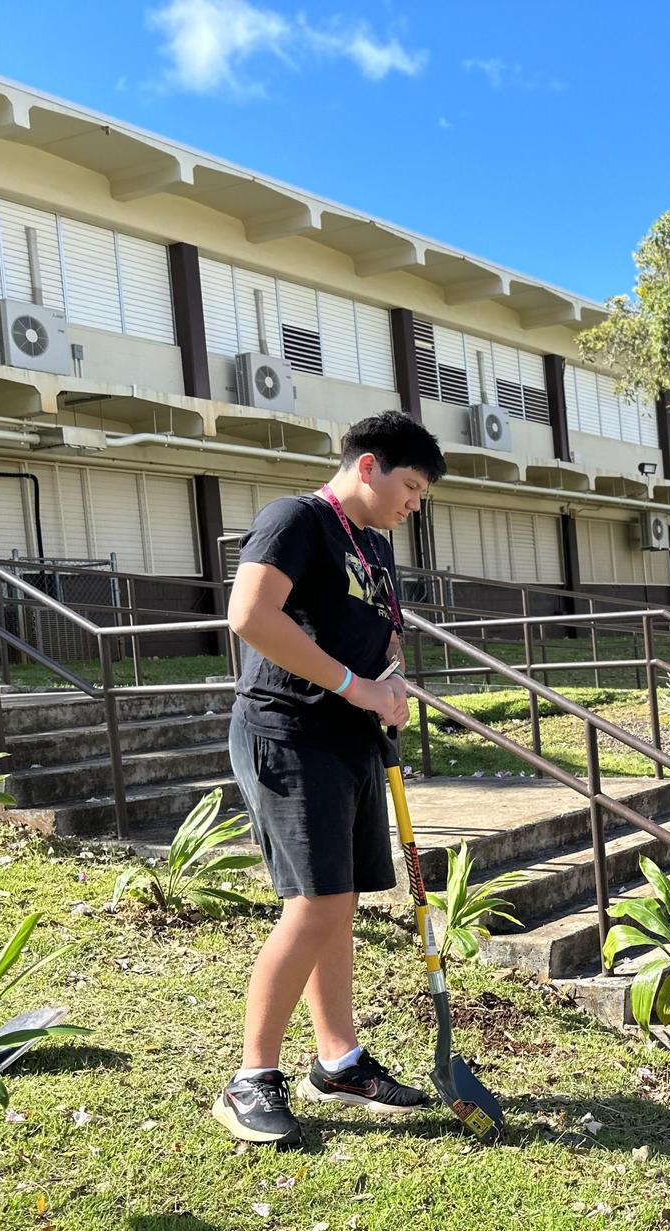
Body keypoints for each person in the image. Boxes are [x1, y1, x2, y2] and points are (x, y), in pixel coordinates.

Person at [211, 411, 445, 1146]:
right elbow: (249, 615)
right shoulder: (296, 520)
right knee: (313, 906)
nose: (416, 503)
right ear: (369, 466)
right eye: (410, 486)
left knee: (338, 907)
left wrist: (390, 682)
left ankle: (338, 1061)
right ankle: (249, 1080)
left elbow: (373, 631)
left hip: (348, 739)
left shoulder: (371, 545)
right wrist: (357, 687)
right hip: (289, 732)